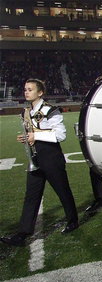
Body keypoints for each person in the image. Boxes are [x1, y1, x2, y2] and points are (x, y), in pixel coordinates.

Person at [0, 79, 79, 247]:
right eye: (25, 89)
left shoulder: (51, 110)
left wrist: (36, 136)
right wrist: (26, 137)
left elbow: (61, 135)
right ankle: (22, 233)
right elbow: (32, 132)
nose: (26, 92)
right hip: (35, 159)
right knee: (31, 196)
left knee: (63, 191)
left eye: (30, 89)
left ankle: (73, 221)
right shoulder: (26, 111)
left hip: (51, 158)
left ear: (40, 92)